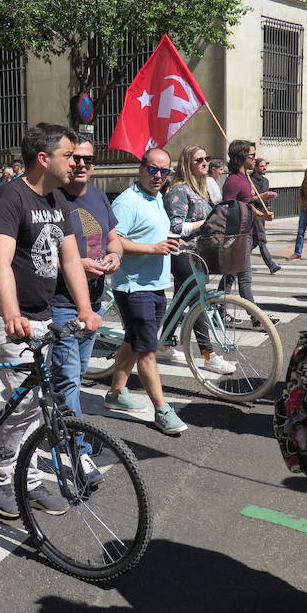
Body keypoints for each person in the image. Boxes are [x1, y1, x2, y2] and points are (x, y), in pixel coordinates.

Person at [0, 123, 101, 519]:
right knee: (27, 400)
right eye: (69, 155)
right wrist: (11, 314)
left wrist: (85, 308)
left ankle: (23, 476)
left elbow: (69, 259)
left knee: (38, 402)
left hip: (42, 315)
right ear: (44, 159)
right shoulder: (9, 198)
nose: (76, 162)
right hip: (4, 316)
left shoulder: (57, 202)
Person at [49, 135, 122, 480]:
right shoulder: (51, 198)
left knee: (73, 377)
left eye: (88, 160)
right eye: (75, 158)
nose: (81, 164)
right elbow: (45, 253)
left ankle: (48, 421)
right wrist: (79, 263)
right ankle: (80, 454)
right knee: (67, 379)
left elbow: (112, 236)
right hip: (61, 303)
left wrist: (114, 255)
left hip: (93, 301)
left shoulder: (97, 197)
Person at [103, 148, 188, 434]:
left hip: (155, 283)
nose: (159, 176)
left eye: (165, 171)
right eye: (153, 169)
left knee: (134, 340)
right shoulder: (127, 202)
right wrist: (153, 248)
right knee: (147, 351)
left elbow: (154, 234)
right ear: (141, 169)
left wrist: (171, 243)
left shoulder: (157, 197)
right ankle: (162, 410)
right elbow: (113, 242)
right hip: (133, 286)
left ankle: (115, 393)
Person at [163, 145, 236, 375]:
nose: (205, 162)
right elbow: (174, 226)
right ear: (187, 164)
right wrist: (203, 225)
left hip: (199, 253)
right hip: (182, 252)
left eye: (207, 158)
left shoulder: (202, 189)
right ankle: (208, 355)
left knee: (181, 299)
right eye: (199, 160)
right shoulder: (179, 190)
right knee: (197, 303)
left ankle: (163, 344)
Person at [219, 140, 278, 325]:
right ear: (241, 157)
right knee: (244, 278)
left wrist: (263, 214)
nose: (254, 158)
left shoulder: (246, 178)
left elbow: (247, 205)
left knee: (230, 277)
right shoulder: (233, 181)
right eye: (251, 156)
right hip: (237, 237)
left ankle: (218, 311)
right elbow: (230, 209)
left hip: (246, 234)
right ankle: (257, 318)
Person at [250, 158, 281, 274]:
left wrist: (267, 205)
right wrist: (264, 195)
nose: (264, 168)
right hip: (254, 212)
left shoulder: (266, 181)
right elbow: (249, 199)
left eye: (265, 166)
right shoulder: (250, 180)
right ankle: (271, 264)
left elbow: (264, 199)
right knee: (261, 238)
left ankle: (244, 263)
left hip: (262, 213)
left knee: (254, 241)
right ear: (256, 167)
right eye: (262, 166)